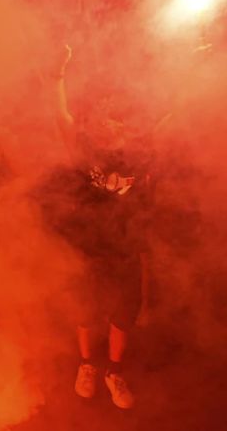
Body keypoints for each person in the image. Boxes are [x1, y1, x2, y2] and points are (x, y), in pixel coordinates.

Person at [43, 45, 155, 410]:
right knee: (86, 311)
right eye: (104, 116)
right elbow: (61, 117)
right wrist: (58, 75)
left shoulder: (139, 153)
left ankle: (114, 373)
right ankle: (88, 366)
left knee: (123, 315)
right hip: (88, 247)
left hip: (125, 248)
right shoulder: (84, 150)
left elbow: (174, 117)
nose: (109, 122)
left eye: (116, 118)